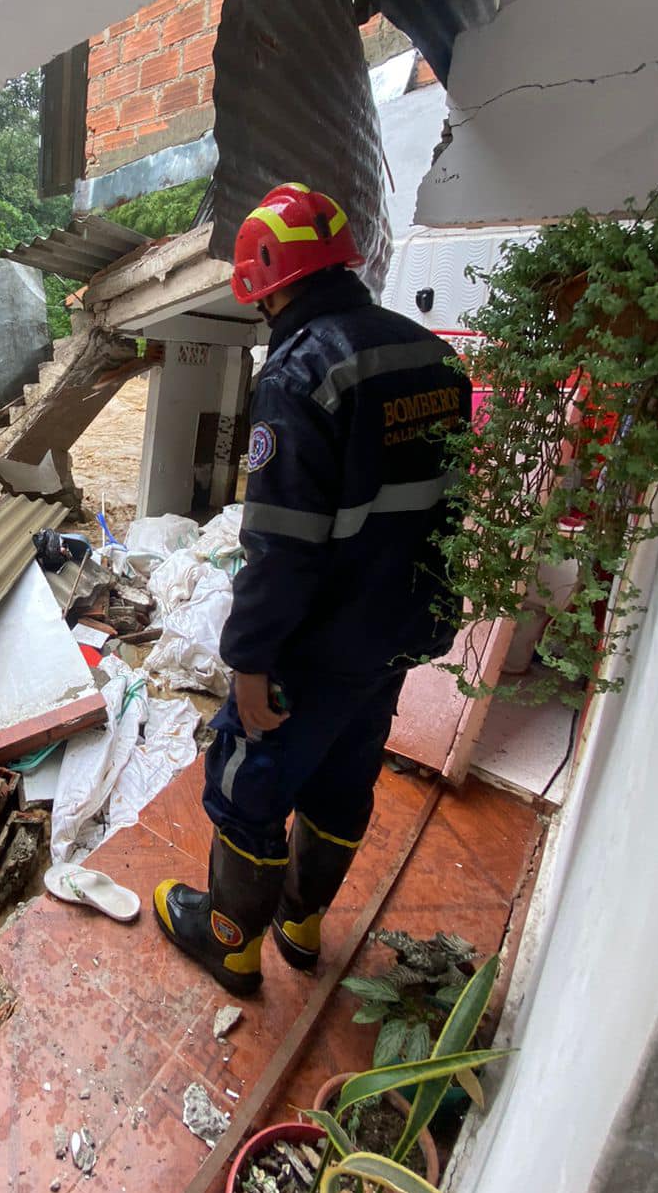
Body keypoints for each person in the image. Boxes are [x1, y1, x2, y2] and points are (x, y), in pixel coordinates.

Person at [154, 183, 470, 996]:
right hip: (400, 627)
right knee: (345, 773)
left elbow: (282, 548)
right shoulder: (432, 355)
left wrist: (250, 663)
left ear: (265, 280)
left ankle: (229, 940)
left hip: (321, 640)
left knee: (248, 780)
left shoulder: (303, 372)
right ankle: (300, 920)